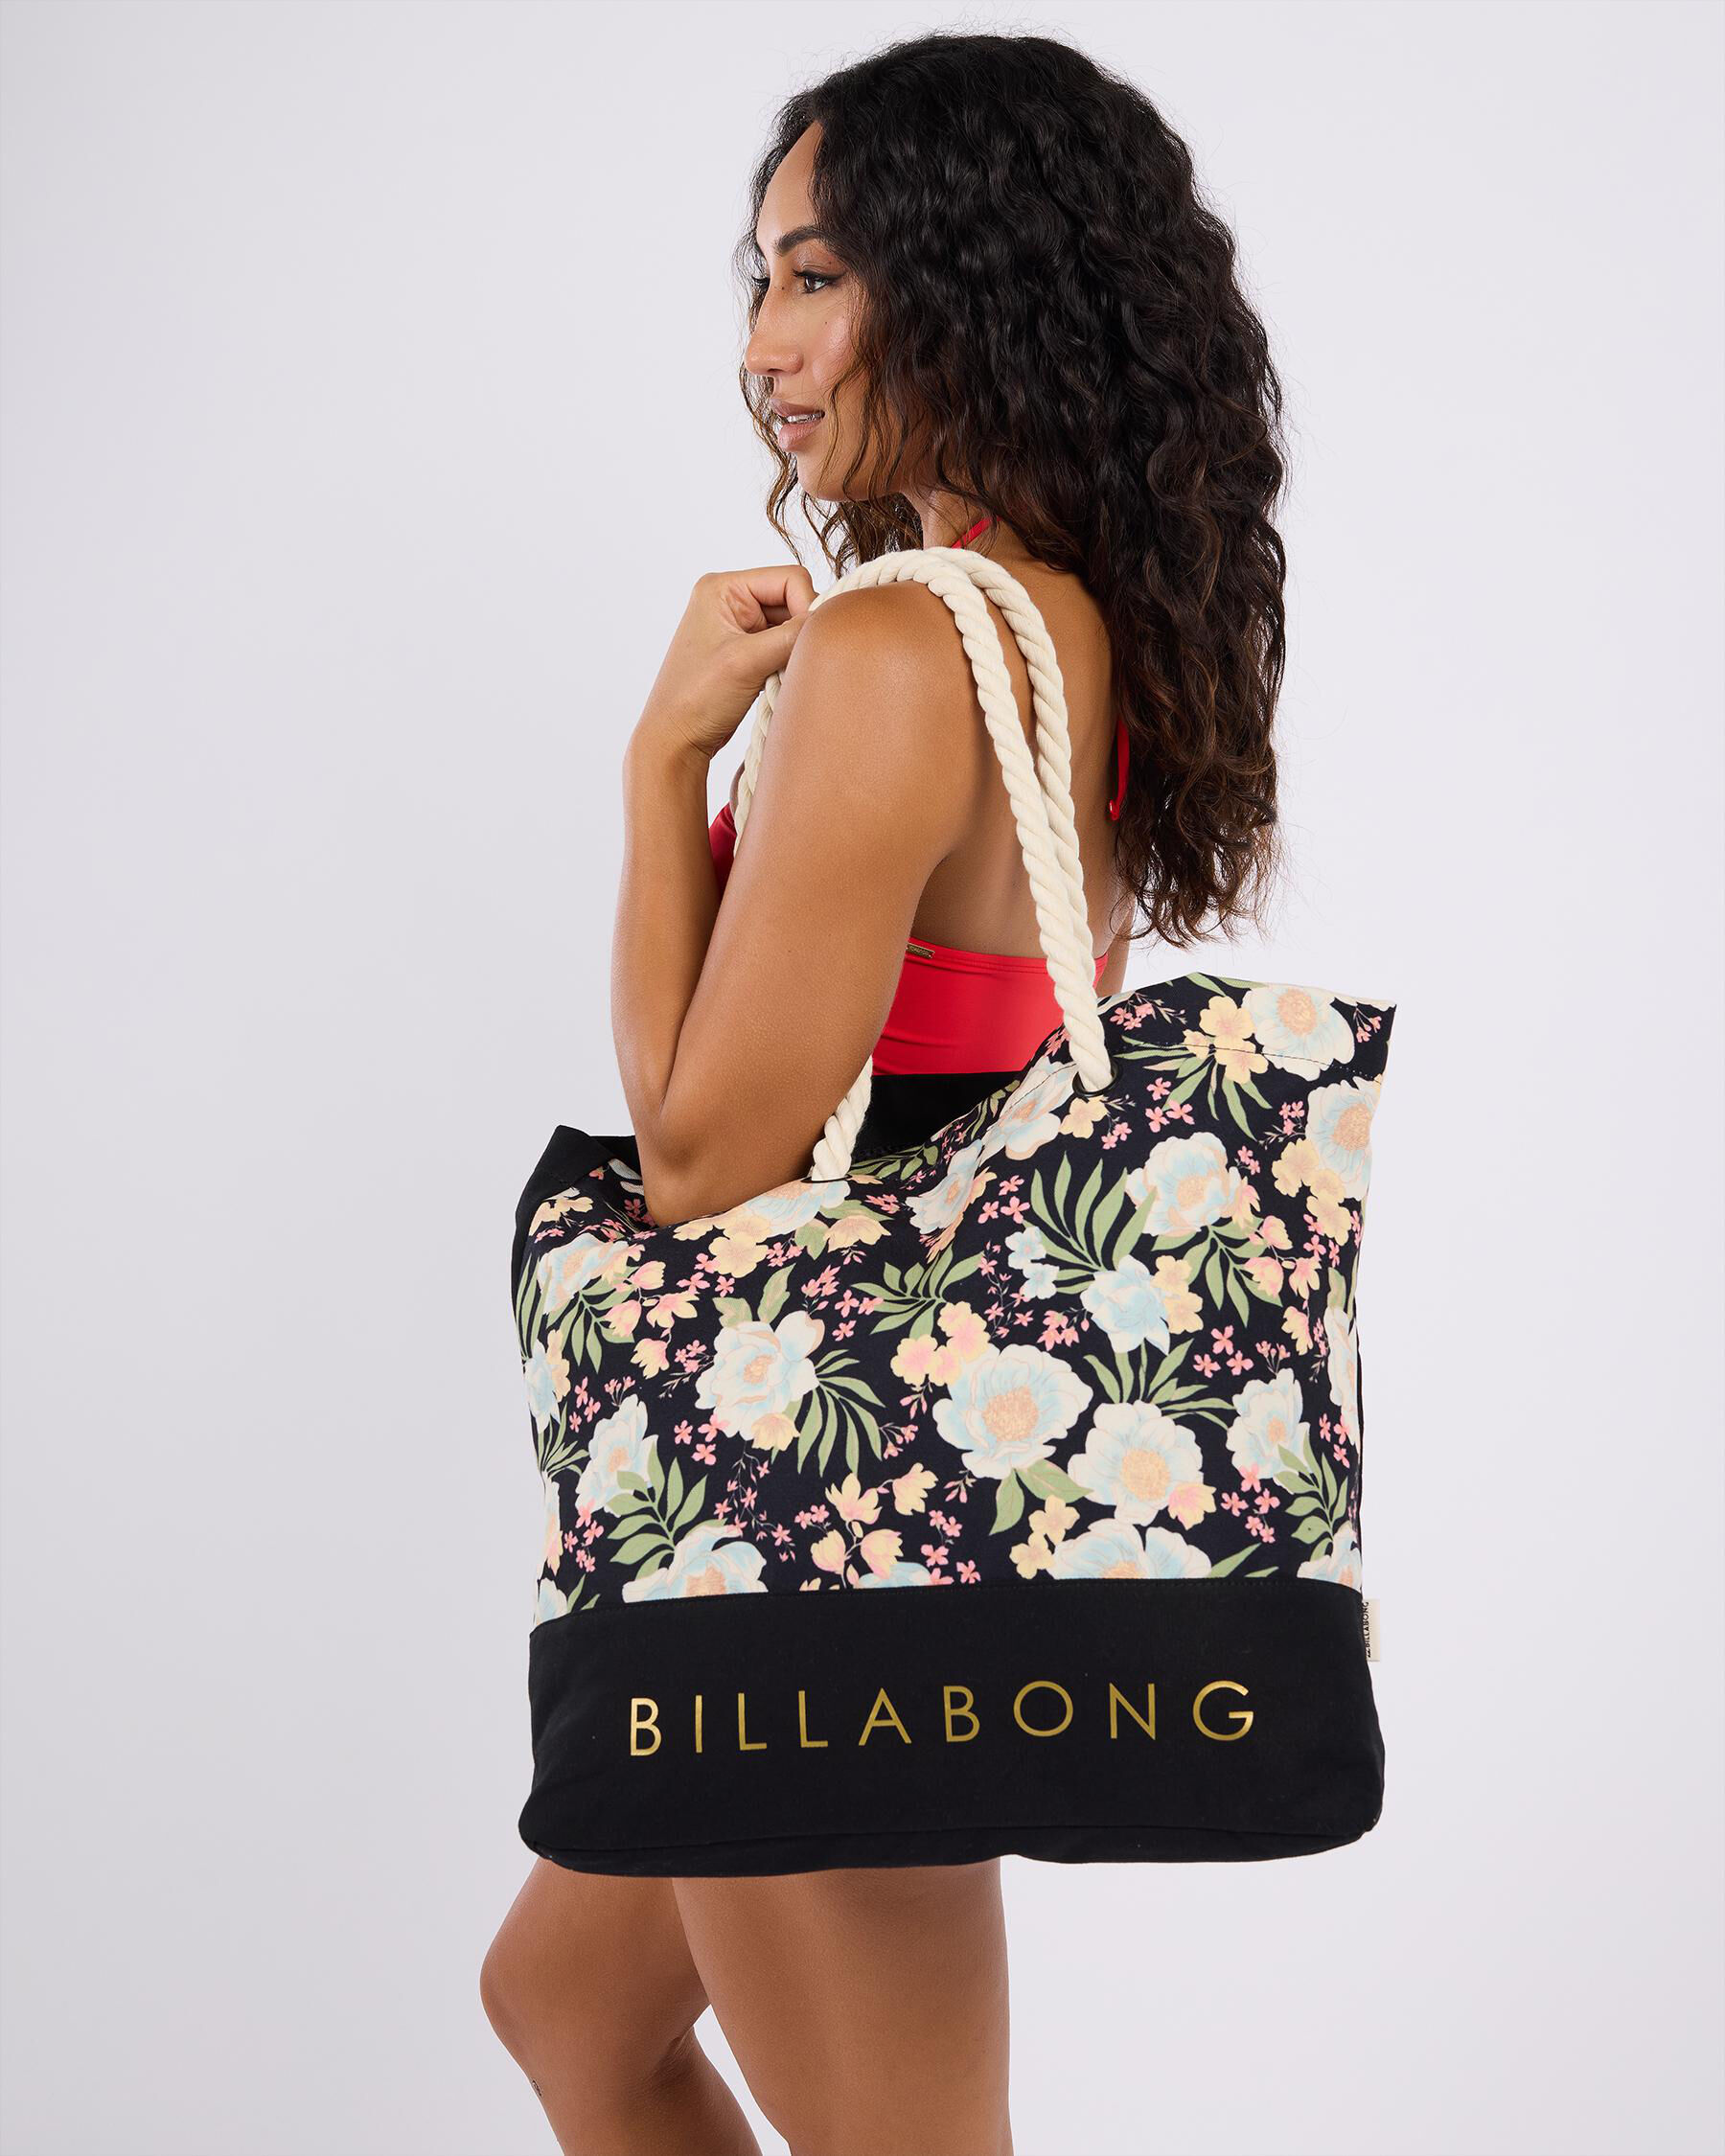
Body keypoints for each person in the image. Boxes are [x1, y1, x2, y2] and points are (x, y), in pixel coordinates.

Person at [481, 27, 1287, 2154]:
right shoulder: (1073, 616)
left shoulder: (901, 647)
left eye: (820, 275)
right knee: (567, 2004)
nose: (767, 343)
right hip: (900, 1478)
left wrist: (663, 761)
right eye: (761, 277)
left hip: (828, 1524)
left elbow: (700, 1157)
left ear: (978, 279)